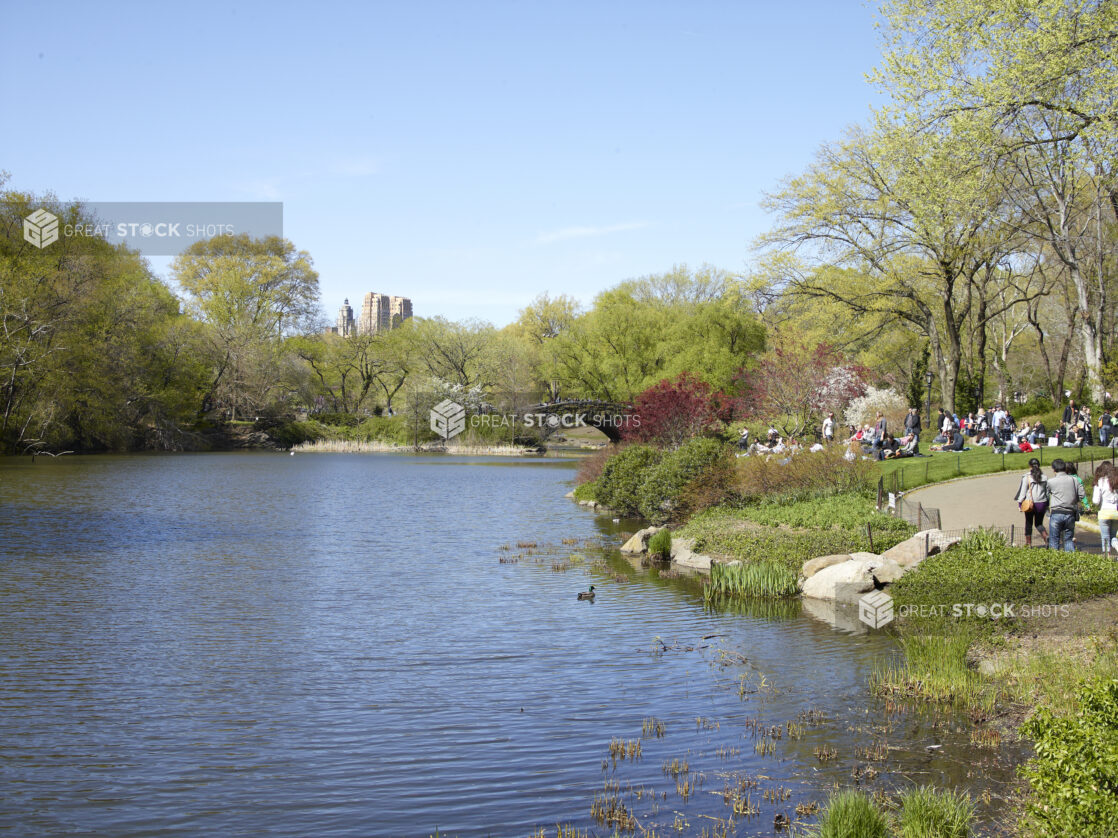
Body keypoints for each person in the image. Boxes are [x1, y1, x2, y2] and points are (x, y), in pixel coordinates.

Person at [1046, 459, 1086, 551]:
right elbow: (1082, 495)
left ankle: (1054, 562)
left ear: (1054, 470)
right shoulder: (1075, 480)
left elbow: (1046, 496)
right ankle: (1070, 562)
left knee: (1054, 541)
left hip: (1056, 513)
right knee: (1068, 540)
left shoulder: (1051, 482)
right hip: (1070, 514)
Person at [1014, 458, 1049, 547]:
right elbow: (1047, 492)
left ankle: (1028, 543)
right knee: (1038, 523)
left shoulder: (1027, 477)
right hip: (1042, 503)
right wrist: (1047, 504)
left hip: (1030, 503)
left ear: (1030, 466)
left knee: (1028, 523)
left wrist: (1020, 504)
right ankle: (1046, 537)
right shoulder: (1045, 477)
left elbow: (1022, 492)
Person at [1091, 461, 1118, 557]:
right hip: (1116, 512)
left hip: (1104, 512)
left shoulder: (1100, 481)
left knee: (1105, 537)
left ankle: (1107, 556)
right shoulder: (1116, 480)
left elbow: (1096, 501)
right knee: (1113, 537)